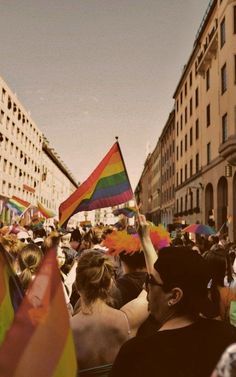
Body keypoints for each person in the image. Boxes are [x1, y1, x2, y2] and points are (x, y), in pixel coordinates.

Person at [110, 226, 236, 377]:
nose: (145, 286)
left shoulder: (137, 354)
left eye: (150, 280)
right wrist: (146, 241)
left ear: (175, 296)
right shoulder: (228, 338)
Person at [70, 249, 148, 376]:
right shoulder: (126, 321)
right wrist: (146, 242)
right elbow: (151, 289)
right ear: (109, 285)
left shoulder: (66, 331)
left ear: (77, 286)